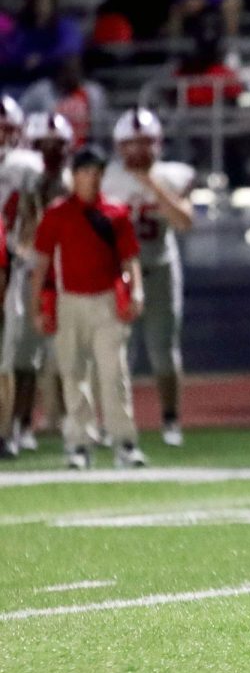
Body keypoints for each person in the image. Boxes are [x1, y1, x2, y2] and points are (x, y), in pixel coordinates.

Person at [31, 146, 145, 470]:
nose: (92, 179)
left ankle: (124, 441)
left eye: (96, 173)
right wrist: (37, 304)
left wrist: (136, 290)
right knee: (73, 375)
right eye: (86, 172)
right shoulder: (57, 214)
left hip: (106, 298)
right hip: (69, 301)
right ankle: (79, 443)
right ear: (74, 175)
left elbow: (129, 257)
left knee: (114, 374)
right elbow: (41, 264)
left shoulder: (116, 213)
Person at [102, 109, 194, 448]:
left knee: (164, 351)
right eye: (132, 144)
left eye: (146, 143)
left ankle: (171, 420)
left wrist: (150, 185)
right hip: (118, 271)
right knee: (116, 352)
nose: (139, 150)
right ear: (119, 146)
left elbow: (184, 221)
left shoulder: (172, 175)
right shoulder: (105, 178)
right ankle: (117, 422)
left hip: (160, 267)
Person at [2, 112, 74, 458]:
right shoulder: (21, 172)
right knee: (21, 357)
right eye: (44, 144)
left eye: (56, 144)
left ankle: (27, 425)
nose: (49, 151)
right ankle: (18, 425)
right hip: (24, 269)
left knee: (43, 357)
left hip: (48, 270)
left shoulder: (65, 177)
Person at [19, 55, 108, 147]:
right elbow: (21, 115)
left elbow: (100, 125)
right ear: (60, 71)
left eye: (77, 71)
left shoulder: (92, 92)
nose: (74, 75)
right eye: (70, 71)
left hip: (85, 149)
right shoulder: (41, 91)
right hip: (50, 146)